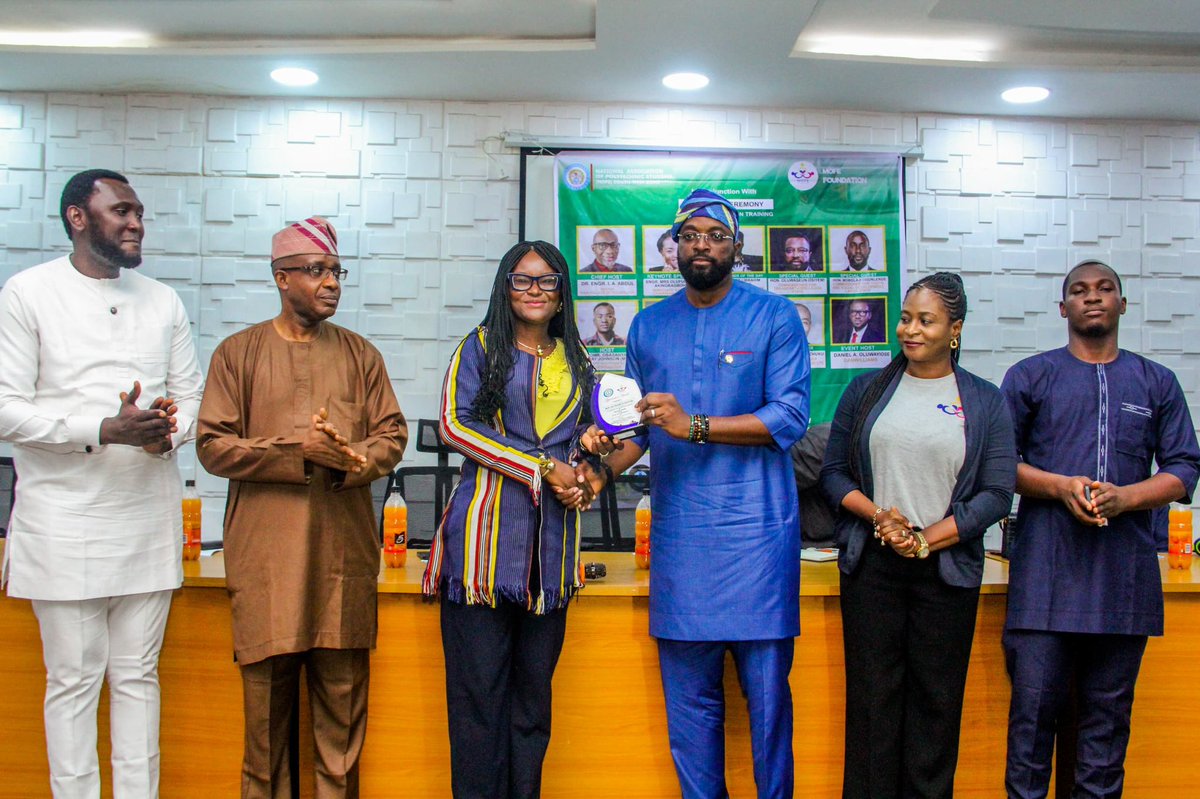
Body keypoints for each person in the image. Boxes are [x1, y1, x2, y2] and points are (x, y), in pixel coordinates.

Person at [581, 188, 810, 798]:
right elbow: (634, 432)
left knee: (767, 716)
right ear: (673, 247)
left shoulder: (774, 318)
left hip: (758, 544)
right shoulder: (649, 326)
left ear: (736, 245)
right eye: (689, 235)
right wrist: (600, 467)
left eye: (714, 234)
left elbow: (789, 418)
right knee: (691, 718)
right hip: (683, 548)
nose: (700, 244)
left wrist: (696, 425)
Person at [0, 168, 204, 798]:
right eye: (121, 210)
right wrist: (103, 429)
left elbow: (191, 393)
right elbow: (7, 408)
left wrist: (167, 430)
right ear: (77, 217)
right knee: (73, 680)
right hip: (64, 523)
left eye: (139, 210)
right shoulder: (28, 292)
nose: (136, 222)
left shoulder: (162, 299)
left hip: (145, 517)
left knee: (139, 677)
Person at [196, 217, 407, 798]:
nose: (331, 283)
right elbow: (212, 445)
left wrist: (350, 457)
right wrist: (297, 453)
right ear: (281, 278)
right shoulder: (237, 354)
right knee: (264, 735)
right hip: (266, 562)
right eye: (316, 271)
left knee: (341, 734)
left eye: (336, 271)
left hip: (342, 561)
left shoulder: (361, 354)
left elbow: (391, 435)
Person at [999, 259, 1200, 799]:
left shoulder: (1157, 381)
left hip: (1122, 585)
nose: (1093, 297)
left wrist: (1129, 496)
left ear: (1123, 304)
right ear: (1063, 308)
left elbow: (1185, 467)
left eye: (1105, 288)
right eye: (1080, 291)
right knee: (1030, 731)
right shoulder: (1030, 376)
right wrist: (1061, 487)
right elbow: (998, 462)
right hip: (1044, 581)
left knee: (1105, 739)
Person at [820, 272, 1017, 799]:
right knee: (872, 705)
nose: (911, 329)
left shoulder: (984, 401)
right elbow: (834, 473)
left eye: (926, 320)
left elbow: (997, 494)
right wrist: (879, 516)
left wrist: (928, 538)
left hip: (945, 573)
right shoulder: (866, 390)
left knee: (935, 705)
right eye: (906, 318)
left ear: (954, 329)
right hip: (873, 568)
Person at [423, 240, 596, 798]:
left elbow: (589, 442)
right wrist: (541, 467)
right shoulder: (478, 348)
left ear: (562, 292)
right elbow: (454, 425)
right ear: (505, 287)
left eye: (547, 281)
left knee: (531, 708)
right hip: (483, 555)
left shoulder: (579, 359)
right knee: (479, 708)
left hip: (550, 560)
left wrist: (585, 472)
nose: (535, 291)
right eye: (523, 281)